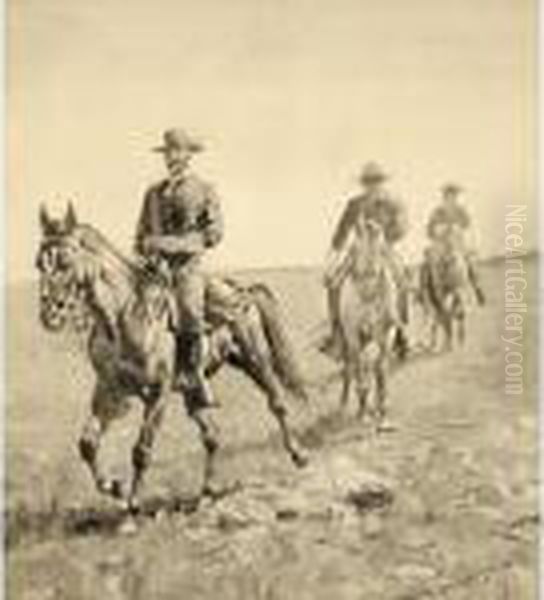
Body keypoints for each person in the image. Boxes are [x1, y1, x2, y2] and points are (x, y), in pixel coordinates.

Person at [135, 128, 224, 408]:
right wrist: (144, 247)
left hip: (186, 268)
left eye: (178, 151)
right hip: (154, 269)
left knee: (188, 309)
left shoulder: (204, 189)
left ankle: (192, 375)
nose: (172, 157)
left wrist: (172, 245)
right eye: (169, 152)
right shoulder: (152, 193)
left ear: (188, 156)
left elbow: (214, 233)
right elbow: (141, 232)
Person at [321, 161, 409, 357]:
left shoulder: (393, 203)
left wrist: (385, 234)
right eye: (368, 182)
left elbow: (402, 228)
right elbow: (341, 233)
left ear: (382, 182)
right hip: (358, 251)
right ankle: (336, 332)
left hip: (384, 250)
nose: (372, 186)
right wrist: (333, 256)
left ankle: (400, 330)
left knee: (402, 282)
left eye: (376, 181)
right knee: (334, 284)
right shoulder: (354, 204)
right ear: (363, 184)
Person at [425, 183, 485, 305]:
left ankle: (477, 288)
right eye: (448, 196)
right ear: (444, 197)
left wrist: (457, 228)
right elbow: (429, 230)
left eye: (454, 196)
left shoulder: (461, 211)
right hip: (441, 244)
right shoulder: (437, 212)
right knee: (430, 262)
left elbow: (467, 225)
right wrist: (439, 229)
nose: (451, 198)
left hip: (457, 243)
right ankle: (429, 291)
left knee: (469, 262)